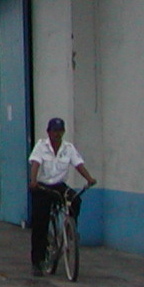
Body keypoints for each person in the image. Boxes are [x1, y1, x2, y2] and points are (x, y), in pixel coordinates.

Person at [27, 117, 96, 274]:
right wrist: (33, 181)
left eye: (60, 131)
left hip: (59, 186)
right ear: (49, 132)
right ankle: (37, 262)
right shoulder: (41, 146)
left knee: (75, 200)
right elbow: (35, 164)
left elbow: (78, 164)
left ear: (63, 132)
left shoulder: (68, 148)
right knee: (40, 224)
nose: (57, 134)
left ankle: (70, 229)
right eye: (54, 131)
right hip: (42, 186)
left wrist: (89, 179)